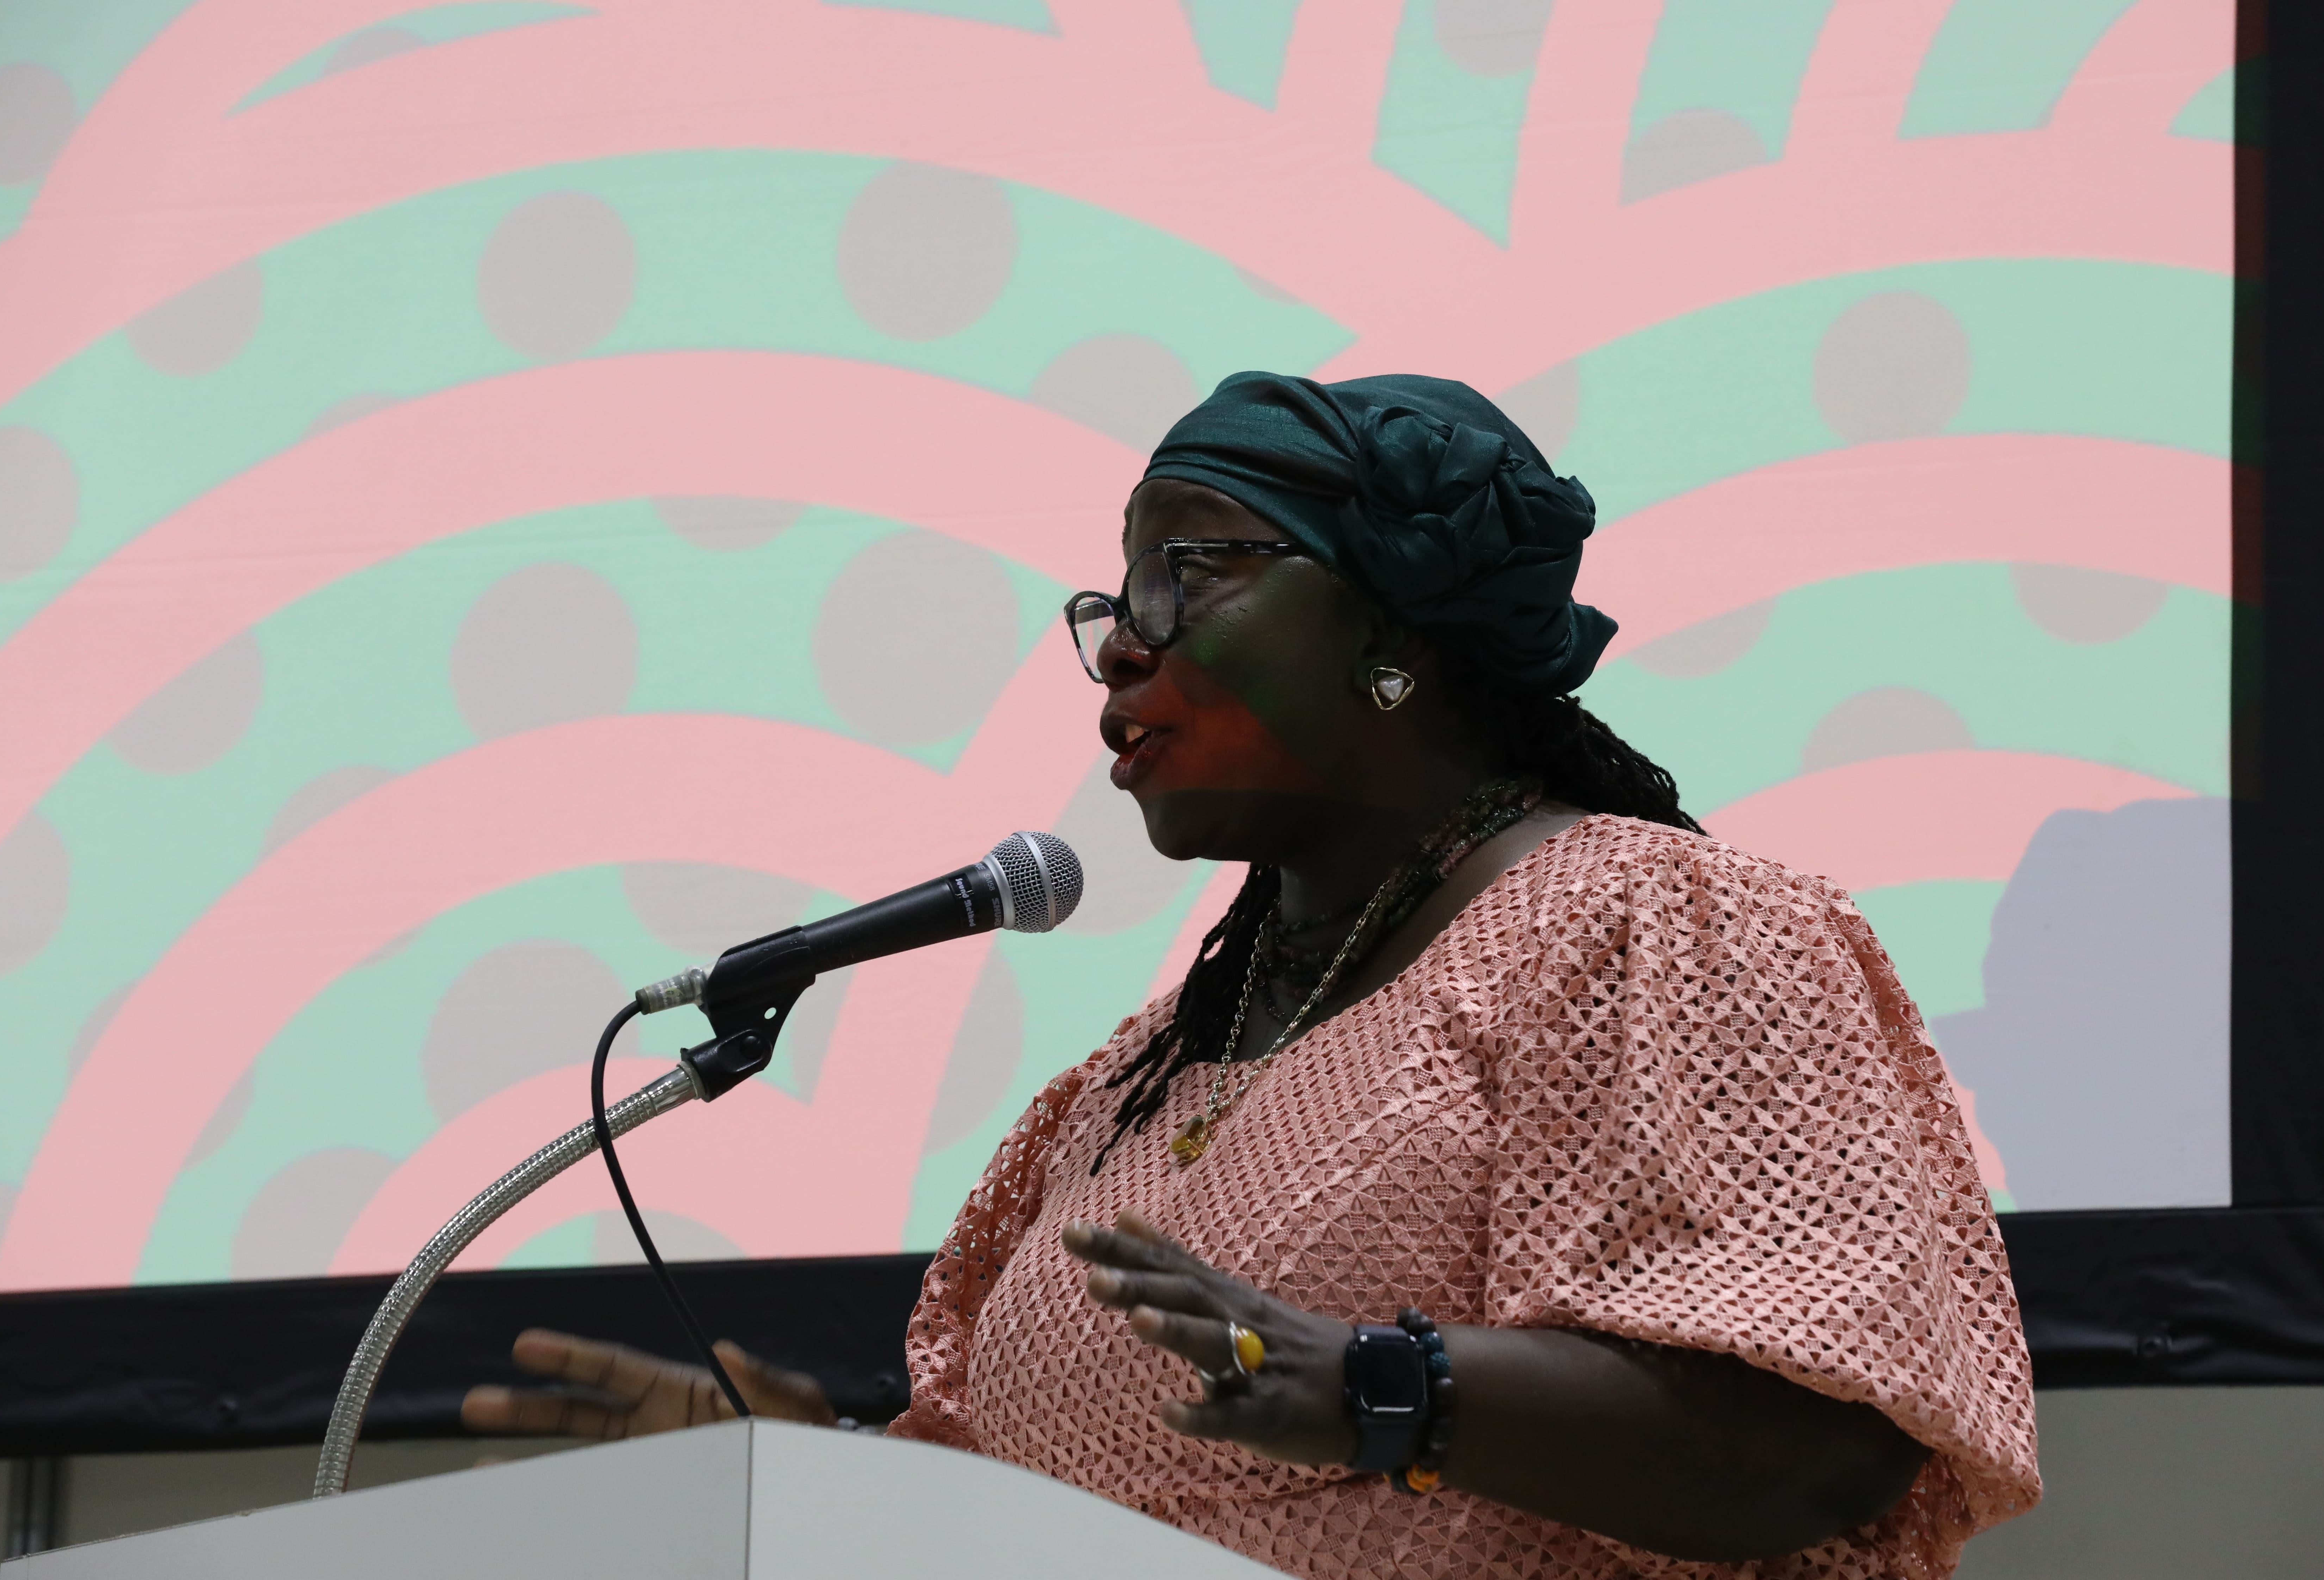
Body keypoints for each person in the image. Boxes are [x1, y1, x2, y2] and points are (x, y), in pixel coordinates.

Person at [464, 373, 2040, 1577]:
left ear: (1393, 631)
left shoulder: (1659, 923)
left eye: (1189, 571)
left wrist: (1385, 1389)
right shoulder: (1135, 1080)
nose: (1125, 646)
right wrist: (826, 1478)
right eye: (1110, 606)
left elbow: (1812, 1437)